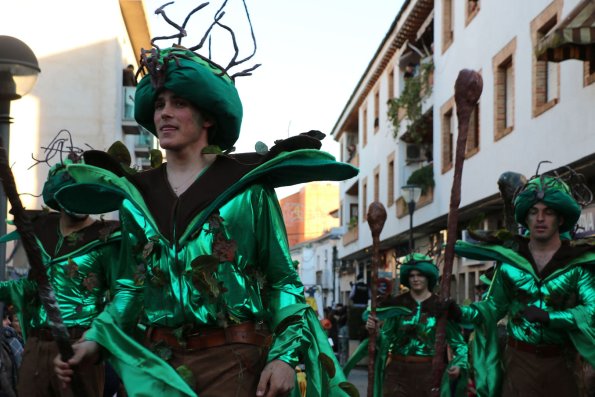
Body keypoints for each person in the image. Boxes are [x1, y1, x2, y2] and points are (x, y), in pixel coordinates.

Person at [53, 38, 358, 396]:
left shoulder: (248, 191)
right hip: (159, 367)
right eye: (160, 103)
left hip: (235, 364)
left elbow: (283, 281)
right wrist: (93, 341)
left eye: (179, 103)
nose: (164, 112)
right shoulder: (136, 200)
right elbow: (130, 287)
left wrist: (284, 357)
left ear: (209, 117)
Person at [455, 174, 595, 397]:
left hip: (563, 364)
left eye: (548, 212)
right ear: (526, 218)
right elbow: (492, 307)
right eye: (533, 211)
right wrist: (459, 311)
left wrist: (551, 318)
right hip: (519, 363)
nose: (540, 218)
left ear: (560, 219)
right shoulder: (510, 264)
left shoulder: (577, 265)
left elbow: (590, 311)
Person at [0, 160, 126, 397]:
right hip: (36, 347)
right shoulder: (42, 230)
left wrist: (95, 339)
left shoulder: (107, 237)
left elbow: (123, 294)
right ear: (58, 196)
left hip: (80, 348)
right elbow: (34, 287)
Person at [344, 254, 468, 397]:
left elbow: (459, 344)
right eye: (411, 275)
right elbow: (386, 339)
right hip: (397, 374)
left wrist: (459, 365)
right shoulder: (397, 304)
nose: (415, 279)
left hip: (431, 374)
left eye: (420, 275)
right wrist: (376, 332)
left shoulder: (441, 306)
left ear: (428, 277)